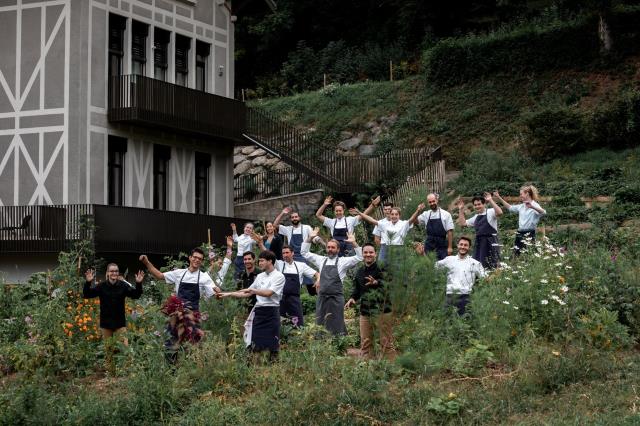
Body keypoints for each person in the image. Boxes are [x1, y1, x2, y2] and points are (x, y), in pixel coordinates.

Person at [139, 248, 221, 359]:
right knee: (171, 343)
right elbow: (159, 276)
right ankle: (171, 371)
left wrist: (217, 291)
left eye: (200, 259)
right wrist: (146, 262)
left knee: (193, 344)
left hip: (192, 315)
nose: (197, 260)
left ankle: (190, 371)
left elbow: (215, 293)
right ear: (190, 258)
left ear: (202, 262)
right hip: (177, 314)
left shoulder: (204, 277)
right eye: (195, 257)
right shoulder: (179, 273)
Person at [217, 250, 285, 362]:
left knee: (272, 343)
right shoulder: (260, 276)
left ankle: (274, 367)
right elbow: (247, 292)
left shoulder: (279, 276)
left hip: (272, 311)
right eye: (259, 261)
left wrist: (253, 290)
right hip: (259, 311)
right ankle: (253, 366)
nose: (260, 263)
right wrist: (228, 294)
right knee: (255, 342)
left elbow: (268, 293)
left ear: (270, 261)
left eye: (262, 261)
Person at [301, 228, 363, 335]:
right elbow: (304, 252)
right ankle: (321, 345)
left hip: (336, 298)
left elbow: (360, 257)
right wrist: (310, 238)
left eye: (333, 248)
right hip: (322, 298)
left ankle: (340, 344)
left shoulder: (343, 261)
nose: (330, 249)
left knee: (337, 322)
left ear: (338, 250)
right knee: (320, 322)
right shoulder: (321, 260)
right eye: (328, 247)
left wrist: (354, 242)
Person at [83, 264, 144, 372]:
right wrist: (88, 282)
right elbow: (87, 294)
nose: (114, 273)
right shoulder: (101, 286)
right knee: (108, 350)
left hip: (120, 322)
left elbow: (136, 295)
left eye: (116, 271)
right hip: (106, 323)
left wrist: (138, 283)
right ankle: (110, 374)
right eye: (112, 271)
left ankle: (126, 372)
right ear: (107, 273)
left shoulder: (123, 286)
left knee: (125, 348)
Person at [345, 244, 395, 359]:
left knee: (386, 343)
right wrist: (353, 298)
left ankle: (391, 370)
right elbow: (357, 290)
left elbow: (391, 286)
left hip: (382, 310)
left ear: (375, 254)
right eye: (366, 252)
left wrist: (377, 282)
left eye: (371, 252)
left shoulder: (383, 268)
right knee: (366, 343)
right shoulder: (360, 272)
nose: (368, 255)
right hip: (365, 312)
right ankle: (367, 370)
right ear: (362, 254)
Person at [350, 204, 422, 263]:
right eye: (392, 214)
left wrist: (418, 210)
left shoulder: (404, 224)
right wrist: (360, 213)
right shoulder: (385, 224)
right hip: (385, 248)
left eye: (396, 214)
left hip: (399, 249)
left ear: (399, 215)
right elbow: (372, 220)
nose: (394, 216)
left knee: (398, 269)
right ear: (390, 215)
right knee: (382, 268)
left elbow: (412, 218)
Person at [273, 207, 321, 295]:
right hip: (291, 256)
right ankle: (291, 294)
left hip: (303, 256)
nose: (294, 218)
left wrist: (320, 241)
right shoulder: (288, 229)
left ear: (299, 218)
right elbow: (275, 225)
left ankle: (313, 295)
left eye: (296, 217)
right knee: (289, 276)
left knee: (308, 278)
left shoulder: (306, 228)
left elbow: (314, 237)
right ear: (291, 219)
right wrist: (282, 213)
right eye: (292, 217)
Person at [435, 237, 486, 315]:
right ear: (457, 245)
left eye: (466, 245)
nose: (463, 247)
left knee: (464, 322)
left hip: (466, 297)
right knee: (446, 322)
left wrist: (497, 273)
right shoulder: (449, 260)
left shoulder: (475, 263)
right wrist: (422, 254)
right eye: (461, 244)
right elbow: (434, 266)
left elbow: (485, 278)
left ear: (469, 247)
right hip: (450, 296)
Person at [493, 185, 546, 256]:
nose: (520, 196)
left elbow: (543, 212)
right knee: (516, 254)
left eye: (521, 194)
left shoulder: (535, 205)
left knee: (529, 255)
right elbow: (510, 208)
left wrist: (532, 207)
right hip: (519, 233)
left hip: (529, 233)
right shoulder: (522, 206)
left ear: (527, 193)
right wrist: (499, 197)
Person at [275, 245, 319, 327]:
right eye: (283, 253)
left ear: (292, 253)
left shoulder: (301, 265)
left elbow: (317, 274)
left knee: (298, 325)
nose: (285, 255)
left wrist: (318, 280)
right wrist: (260, 243)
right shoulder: (279, 264)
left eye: (287, 252)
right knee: (281, 325)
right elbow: (267, 256)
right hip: (282, 299)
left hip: (295, 300)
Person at [457, 193, 503, 269]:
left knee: (492, 264)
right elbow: (463, 223)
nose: (477, 206)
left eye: (479, 204)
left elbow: (500, 212)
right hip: (479, 243)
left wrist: (491, 200)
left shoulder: (490, 212)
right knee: (478, 264)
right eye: (475, 205)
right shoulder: (476, 217)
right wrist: (461, 210)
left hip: (491, 242)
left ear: (484, 204)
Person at [411, 193, 454, 261]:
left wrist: (450, 247)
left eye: (433, 201)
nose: (432, 203)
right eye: (430, 202)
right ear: (428, 203)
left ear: (437, 200)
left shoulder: (446, 214)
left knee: (442, 266)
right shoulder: (426, 214)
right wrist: (418, 211)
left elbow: (450, 232)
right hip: (429, 244)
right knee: (428, 265)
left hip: (441, 245)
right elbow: (415, 221)